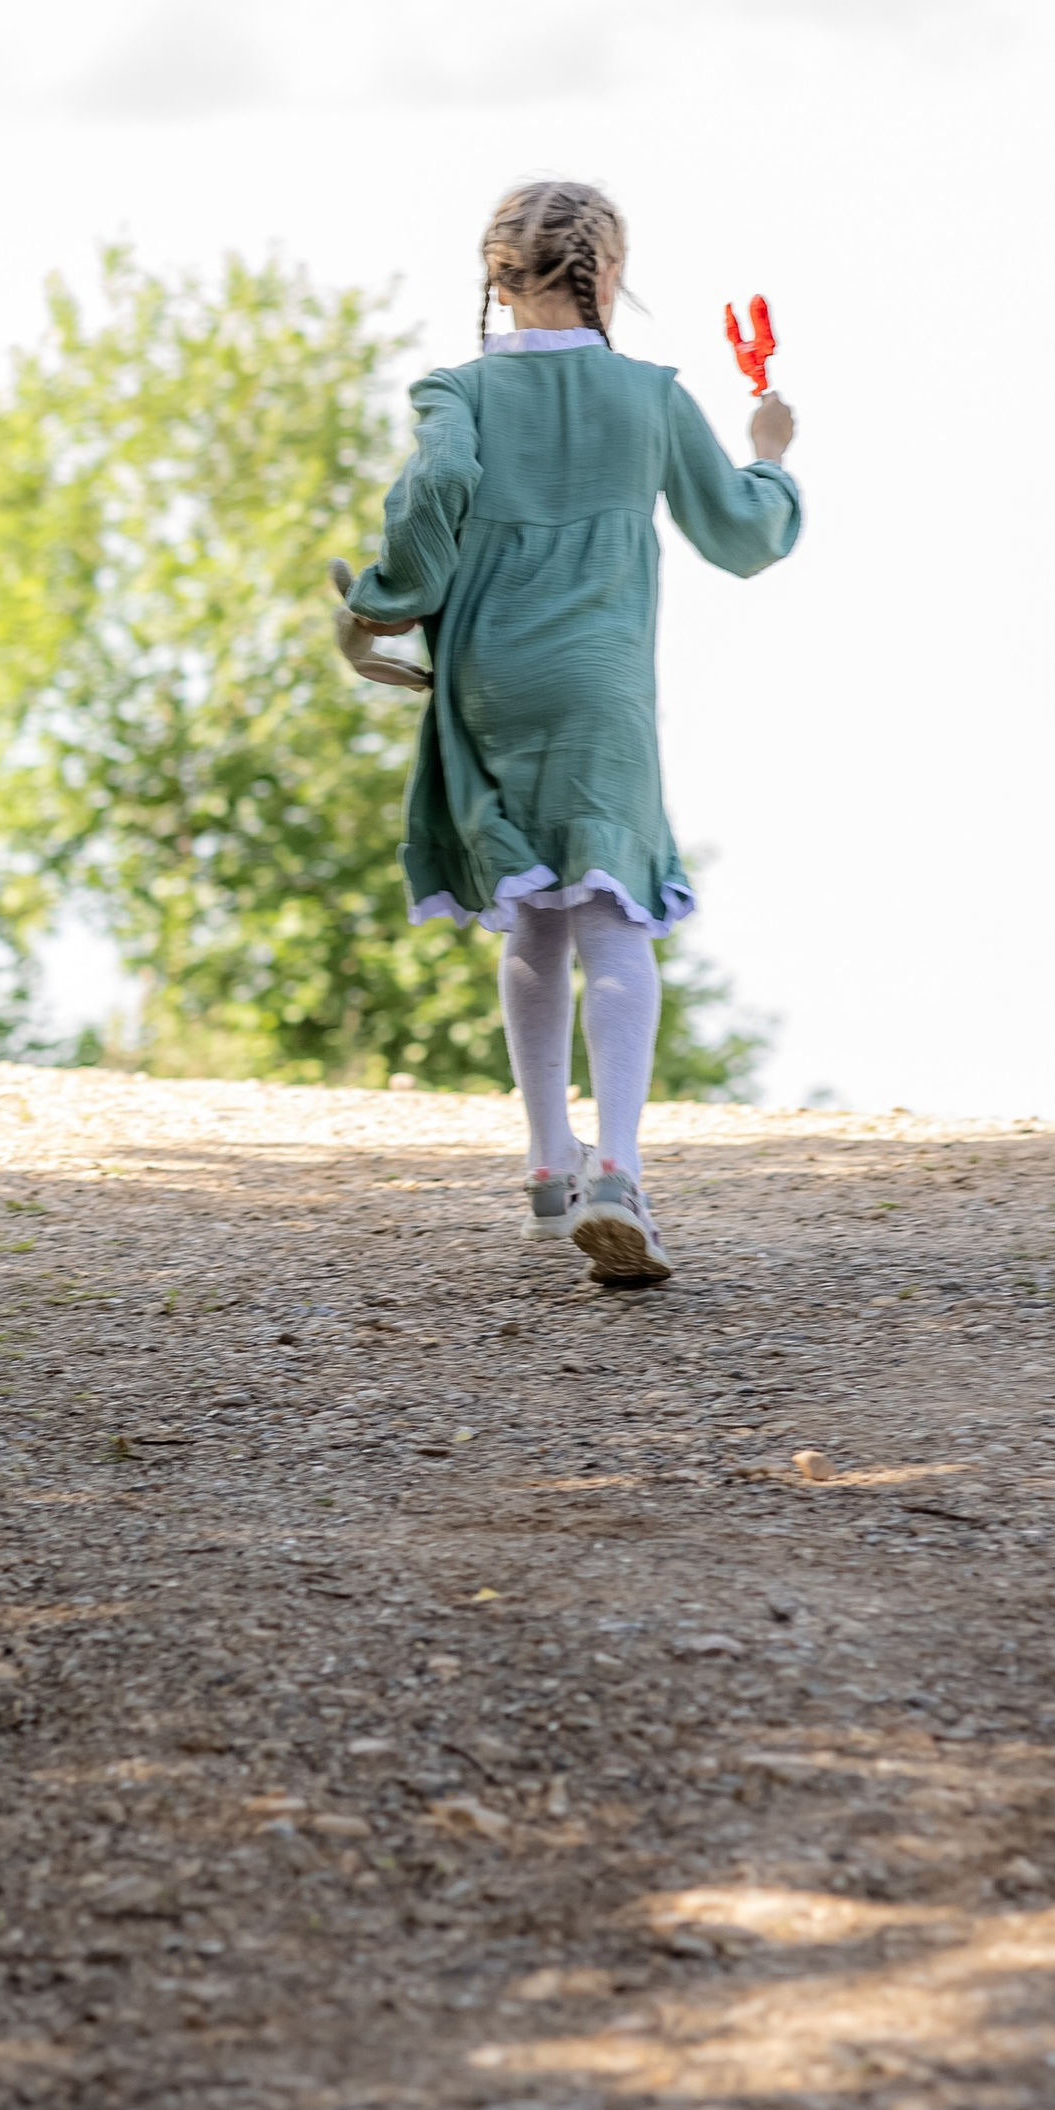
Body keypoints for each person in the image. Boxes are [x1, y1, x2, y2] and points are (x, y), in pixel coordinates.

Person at [337, 180, 801, 1287]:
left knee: (532, 916)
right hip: (596, 686)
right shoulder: (647, 397)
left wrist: (383, 600)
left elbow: (439, 482)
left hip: (487, 676)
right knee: (609, 913)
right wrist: (772, 452)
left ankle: (548, 1166)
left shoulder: (455, 390)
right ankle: (618, 1171)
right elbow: (740, 536)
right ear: (610, 270)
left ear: (492, 274)